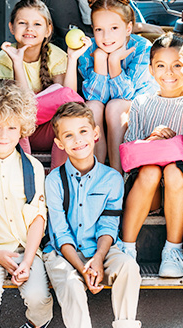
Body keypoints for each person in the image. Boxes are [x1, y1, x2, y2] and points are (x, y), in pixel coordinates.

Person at [43, 102, 142, 328]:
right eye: (68, 135)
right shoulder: (54, 180)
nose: (78, 140)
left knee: (128, 267)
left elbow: (108, 225)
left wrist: (98, 259)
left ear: (95, 134)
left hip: (99, 249)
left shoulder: (112, 179)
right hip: (63, 252)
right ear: (59, 143)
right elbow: (59, 232)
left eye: (83, 131)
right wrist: (82, 268)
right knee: (70, 284)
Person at [0, 82, 53, 328]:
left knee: (38, 297)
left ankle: (35, 324)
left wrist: (27, 262)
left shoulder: (32, 167)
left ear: (22, 130)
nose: (3, 135)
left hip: (25, 249)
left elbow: (38, 219)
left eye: (11, 127)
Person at [120, 32, 183, 278]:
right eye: (161, 66)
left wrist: (173, 141)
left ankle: (173, 251)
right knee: (151, 170)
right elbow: (129, 149)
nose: (169, 73)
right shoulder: (142, 102)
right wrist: (152, 139)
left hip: (180, 188)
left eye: (177, 65)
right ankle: (127, 249)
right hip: (147, 189)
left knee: (172, 170)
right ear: (151, 70)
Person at [0, 0, 90, 169]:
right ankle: (27, 174)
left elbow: (70, 103)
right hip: (20, 130)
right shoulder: (6, 56)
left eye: (37, 24)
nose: (29, 29)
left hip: (49, 132)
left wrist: (72, 59)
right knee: (16, 116)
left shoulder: (55, 55)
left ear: (48, 30)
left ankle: (58, 177)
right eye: (22, 23)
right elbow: (21, 104)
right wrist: (17, 63)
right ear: (12, 27)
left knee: (68, 115)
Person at [78, 0, 158, 173]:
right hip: (107, 106)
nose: (106, 37)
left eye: (114, 28)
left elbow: (127, 96)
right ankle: (96, 174)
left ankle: (117, 174)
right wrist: (100, 61)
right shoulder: (89, 49)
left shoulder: (142, 48)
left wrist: (114, 63)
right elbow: (95, 96)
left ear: (128, 28)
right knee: (91, 107)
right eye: (99, 29)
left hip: (137, 106)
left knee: (115, 107)